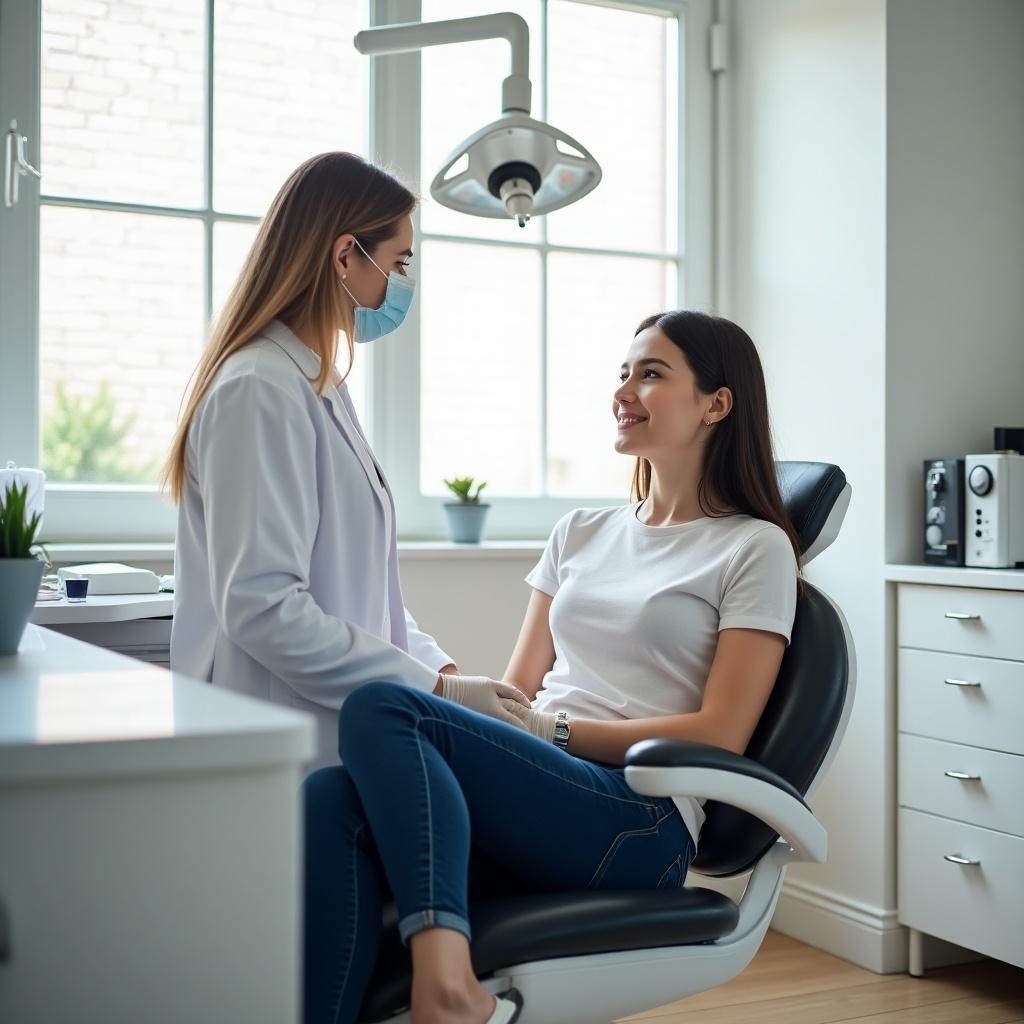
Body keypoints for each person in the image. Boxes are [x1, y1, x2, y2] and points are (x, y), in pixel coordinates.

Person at [302, 310, 803, 1024]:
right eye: (623, 372)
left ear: (716, 404)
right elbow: (519, 691)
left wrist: (552, 731)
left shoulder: (754, 549)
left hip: (639, 816)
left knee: (383, 705)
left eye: (652, 374)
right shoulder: (581, 531)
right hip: (549, 788)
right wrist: (506, 717)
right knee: (330, 799)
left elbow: (720, 734)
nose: (625, 389)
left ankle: (446, 981)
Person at [162, 152, 530, 773]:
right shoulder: (259, 388)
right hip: (273, 739)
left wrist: (433, 666)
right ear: (343, 258)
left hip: (333, 732)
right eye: (399, 263)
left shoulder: (315, 382)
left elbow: (355, 586)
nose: (403, 283)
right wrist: (433, 691)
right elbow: (263, 607)